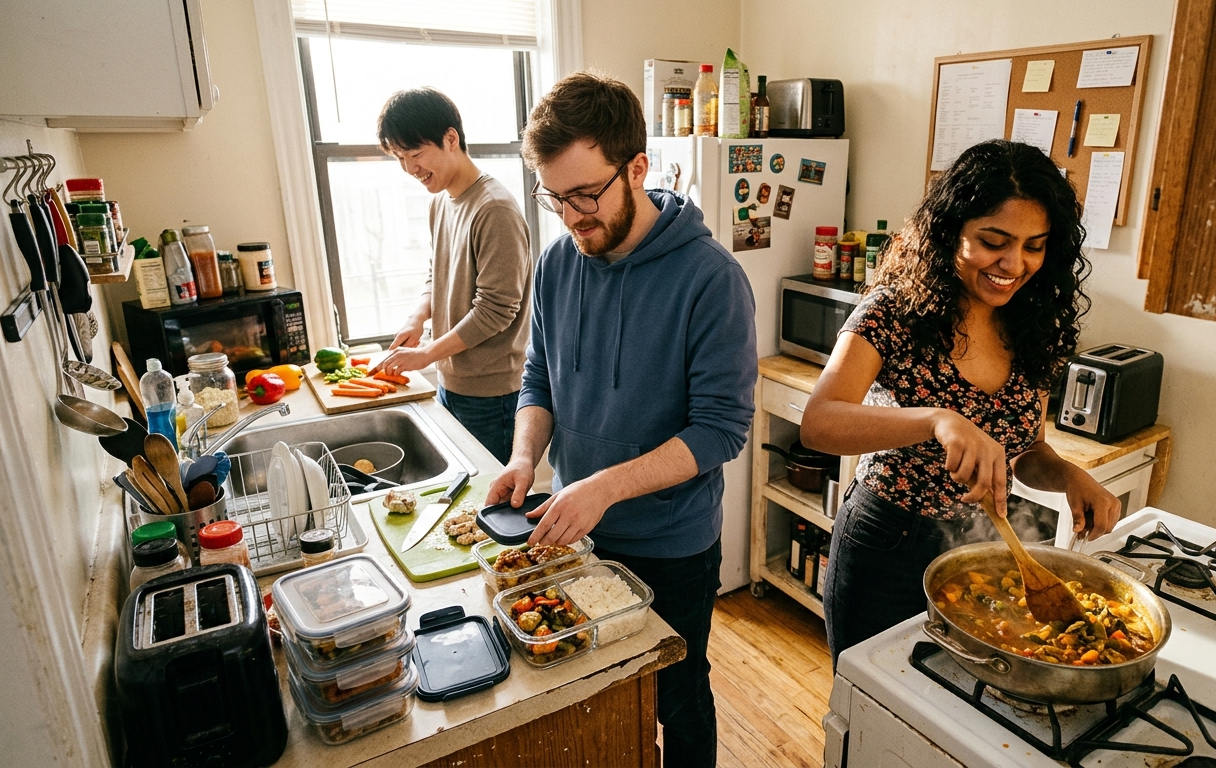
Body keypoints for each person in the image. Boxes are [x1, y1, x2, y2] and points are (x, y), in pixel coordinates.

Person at [487, 71, 757, 768]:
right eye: (556, 198)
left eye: (586, 194)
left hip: (671, 544)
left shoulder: (710, 279)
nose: (573, 216)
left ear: (637, 168)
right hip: (574, 532)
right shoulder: (556, 263)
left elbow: (721, 430)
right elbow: (539, 377)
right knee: (595, 694)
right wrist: (523, 459)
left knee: (676, 691)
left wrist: (604, 486)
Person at [800, 140, 1122, 663]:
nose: (1014, 264)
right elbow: (819, 423)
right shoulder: (893, 313)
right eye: (994, 241)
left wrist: (1067, 475)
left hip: (985, 551)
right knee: (868, 712)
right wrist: (937, 420)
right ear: (950, 233)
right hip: (887, 544)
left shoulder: (1034, 324)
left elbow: (1026, 449)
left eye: (1035, 246)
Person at [371, 87, 533, 465]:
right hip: (452, 383)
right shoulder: (440, 203)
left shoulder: (495, 209)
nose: (410, 168)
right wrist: (417, 317)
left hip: (495, 396)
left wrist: (426, 353)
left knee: (491, 508)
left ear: (451, 139)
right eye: (400, 158)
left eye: (415, 154)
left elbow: (496, 310)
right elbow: (438, 274)